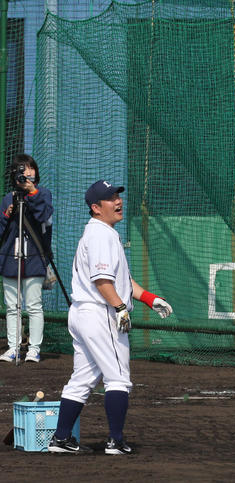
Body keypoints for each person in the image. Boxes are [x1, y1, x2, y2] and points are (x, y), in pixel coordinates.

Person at [48, 180, 173, 455]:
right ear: (95, 208)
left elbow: (122, 281)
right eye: (110, 198)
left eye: (117, 195)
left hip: (84, 314)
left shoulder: (101, 233)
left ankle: (61, 439)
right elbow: (103, 281)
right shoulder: (101, 235)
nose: (117, 201)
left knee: (82, 379)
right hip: (100, 313)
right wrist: (119, 308)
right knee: (118, 379)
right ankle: (115, 441)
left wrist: (150, 299)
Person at [0, 154, 53, 363]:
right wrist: (7, 214)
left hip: (34, 256)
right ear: (15, 175)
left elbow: (44, 218)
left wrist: (32, 193)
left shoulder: (43, 194)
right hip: (10, 258)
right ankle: (13, 347)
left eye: (30, 169)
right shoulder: (7, 198)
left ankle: (34, 348)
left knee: (33, 305)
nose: (27, 173)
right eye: (22, 170)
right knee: (12, 307)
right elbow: (1, 230)